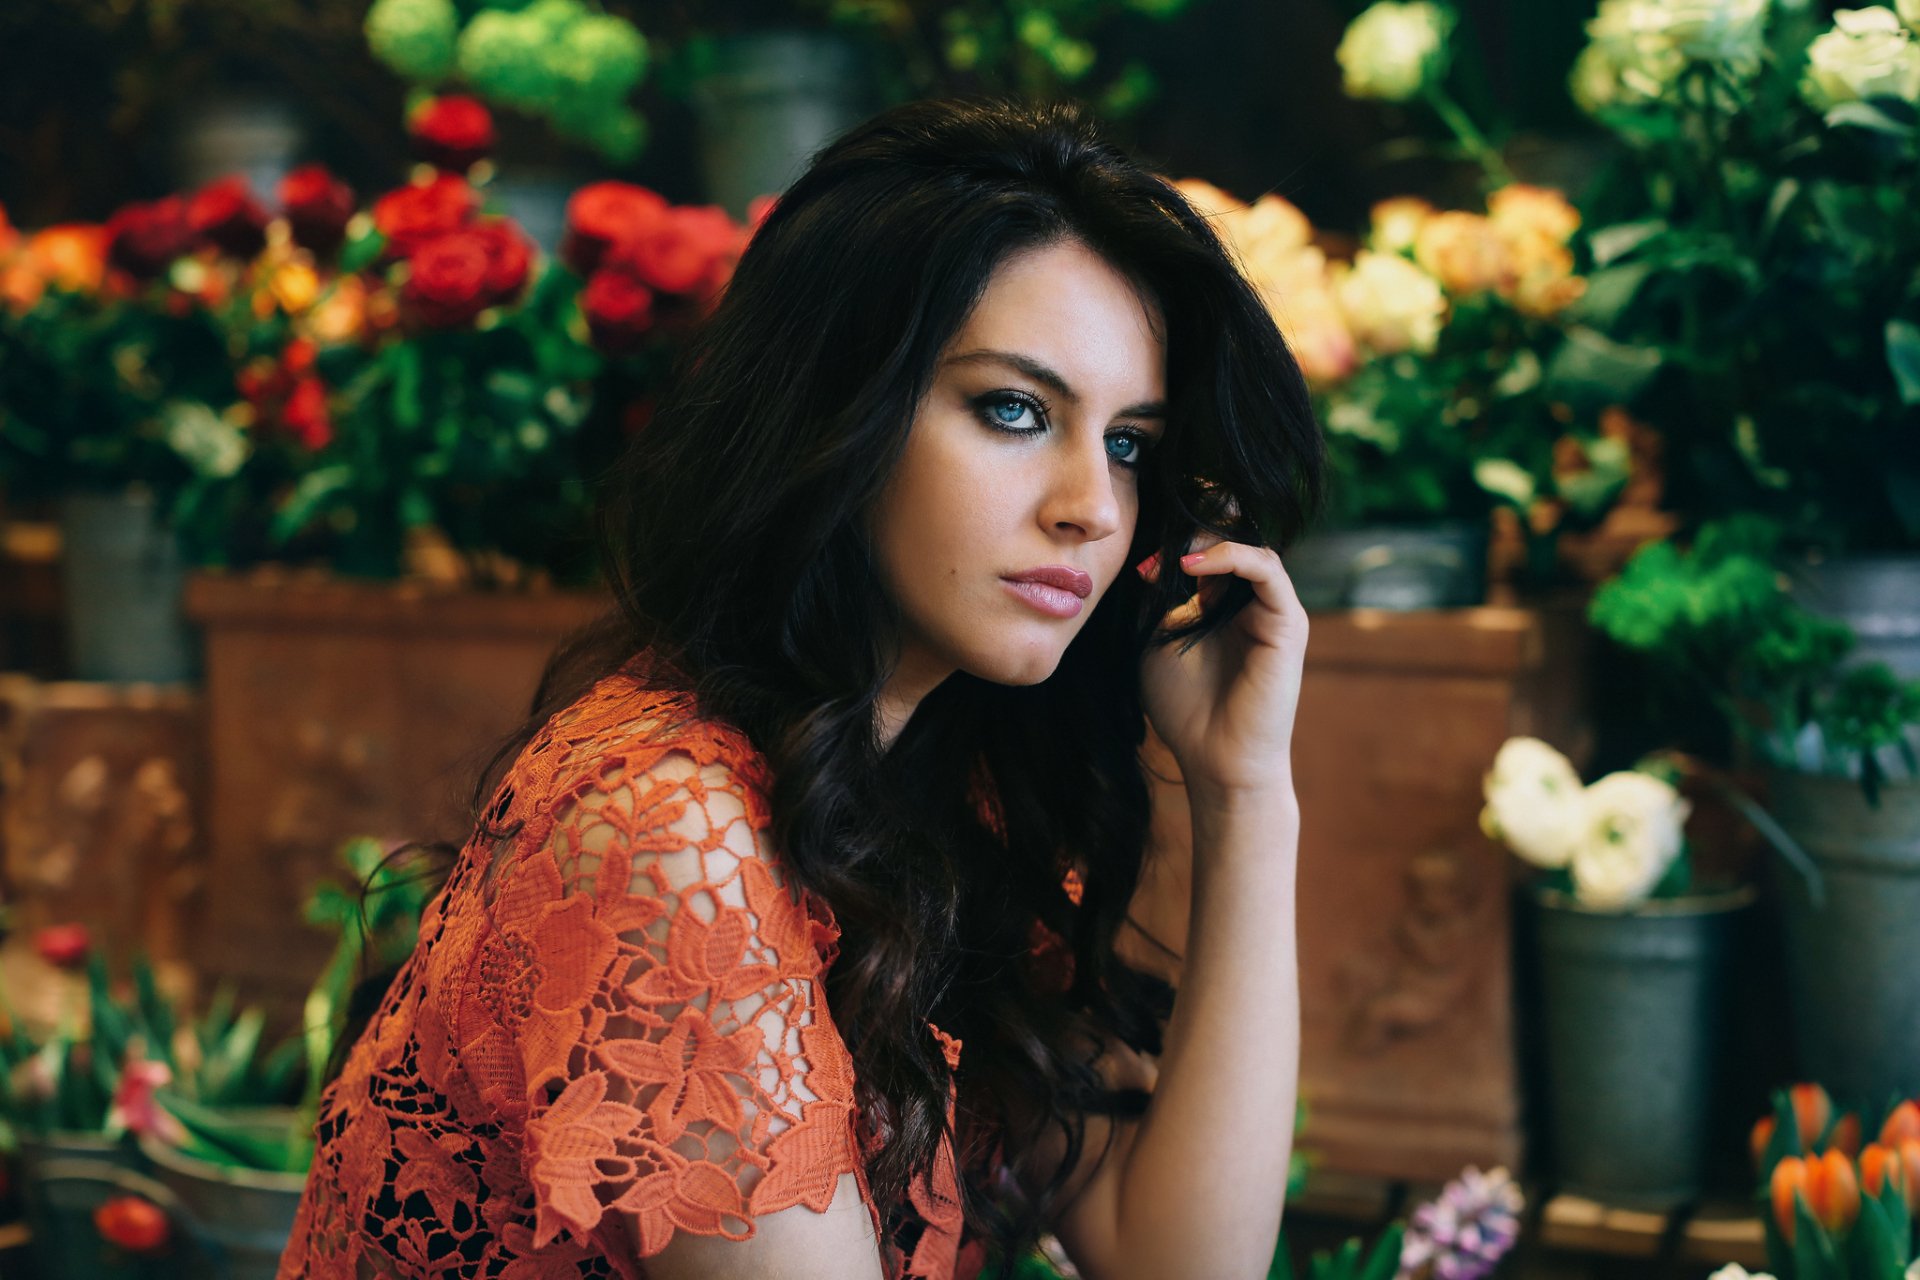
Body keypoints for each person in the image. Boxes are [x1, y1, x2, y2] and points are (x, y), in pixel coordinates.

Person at [277, 94, 1322, 1280]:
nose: (1091, 503)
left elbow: (1180, 1264)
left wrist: (1246, 794)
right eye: (1015, 410)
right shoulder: (667, 826)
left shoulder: (942, 787)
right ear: (842, 410)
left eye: (1129, 441)